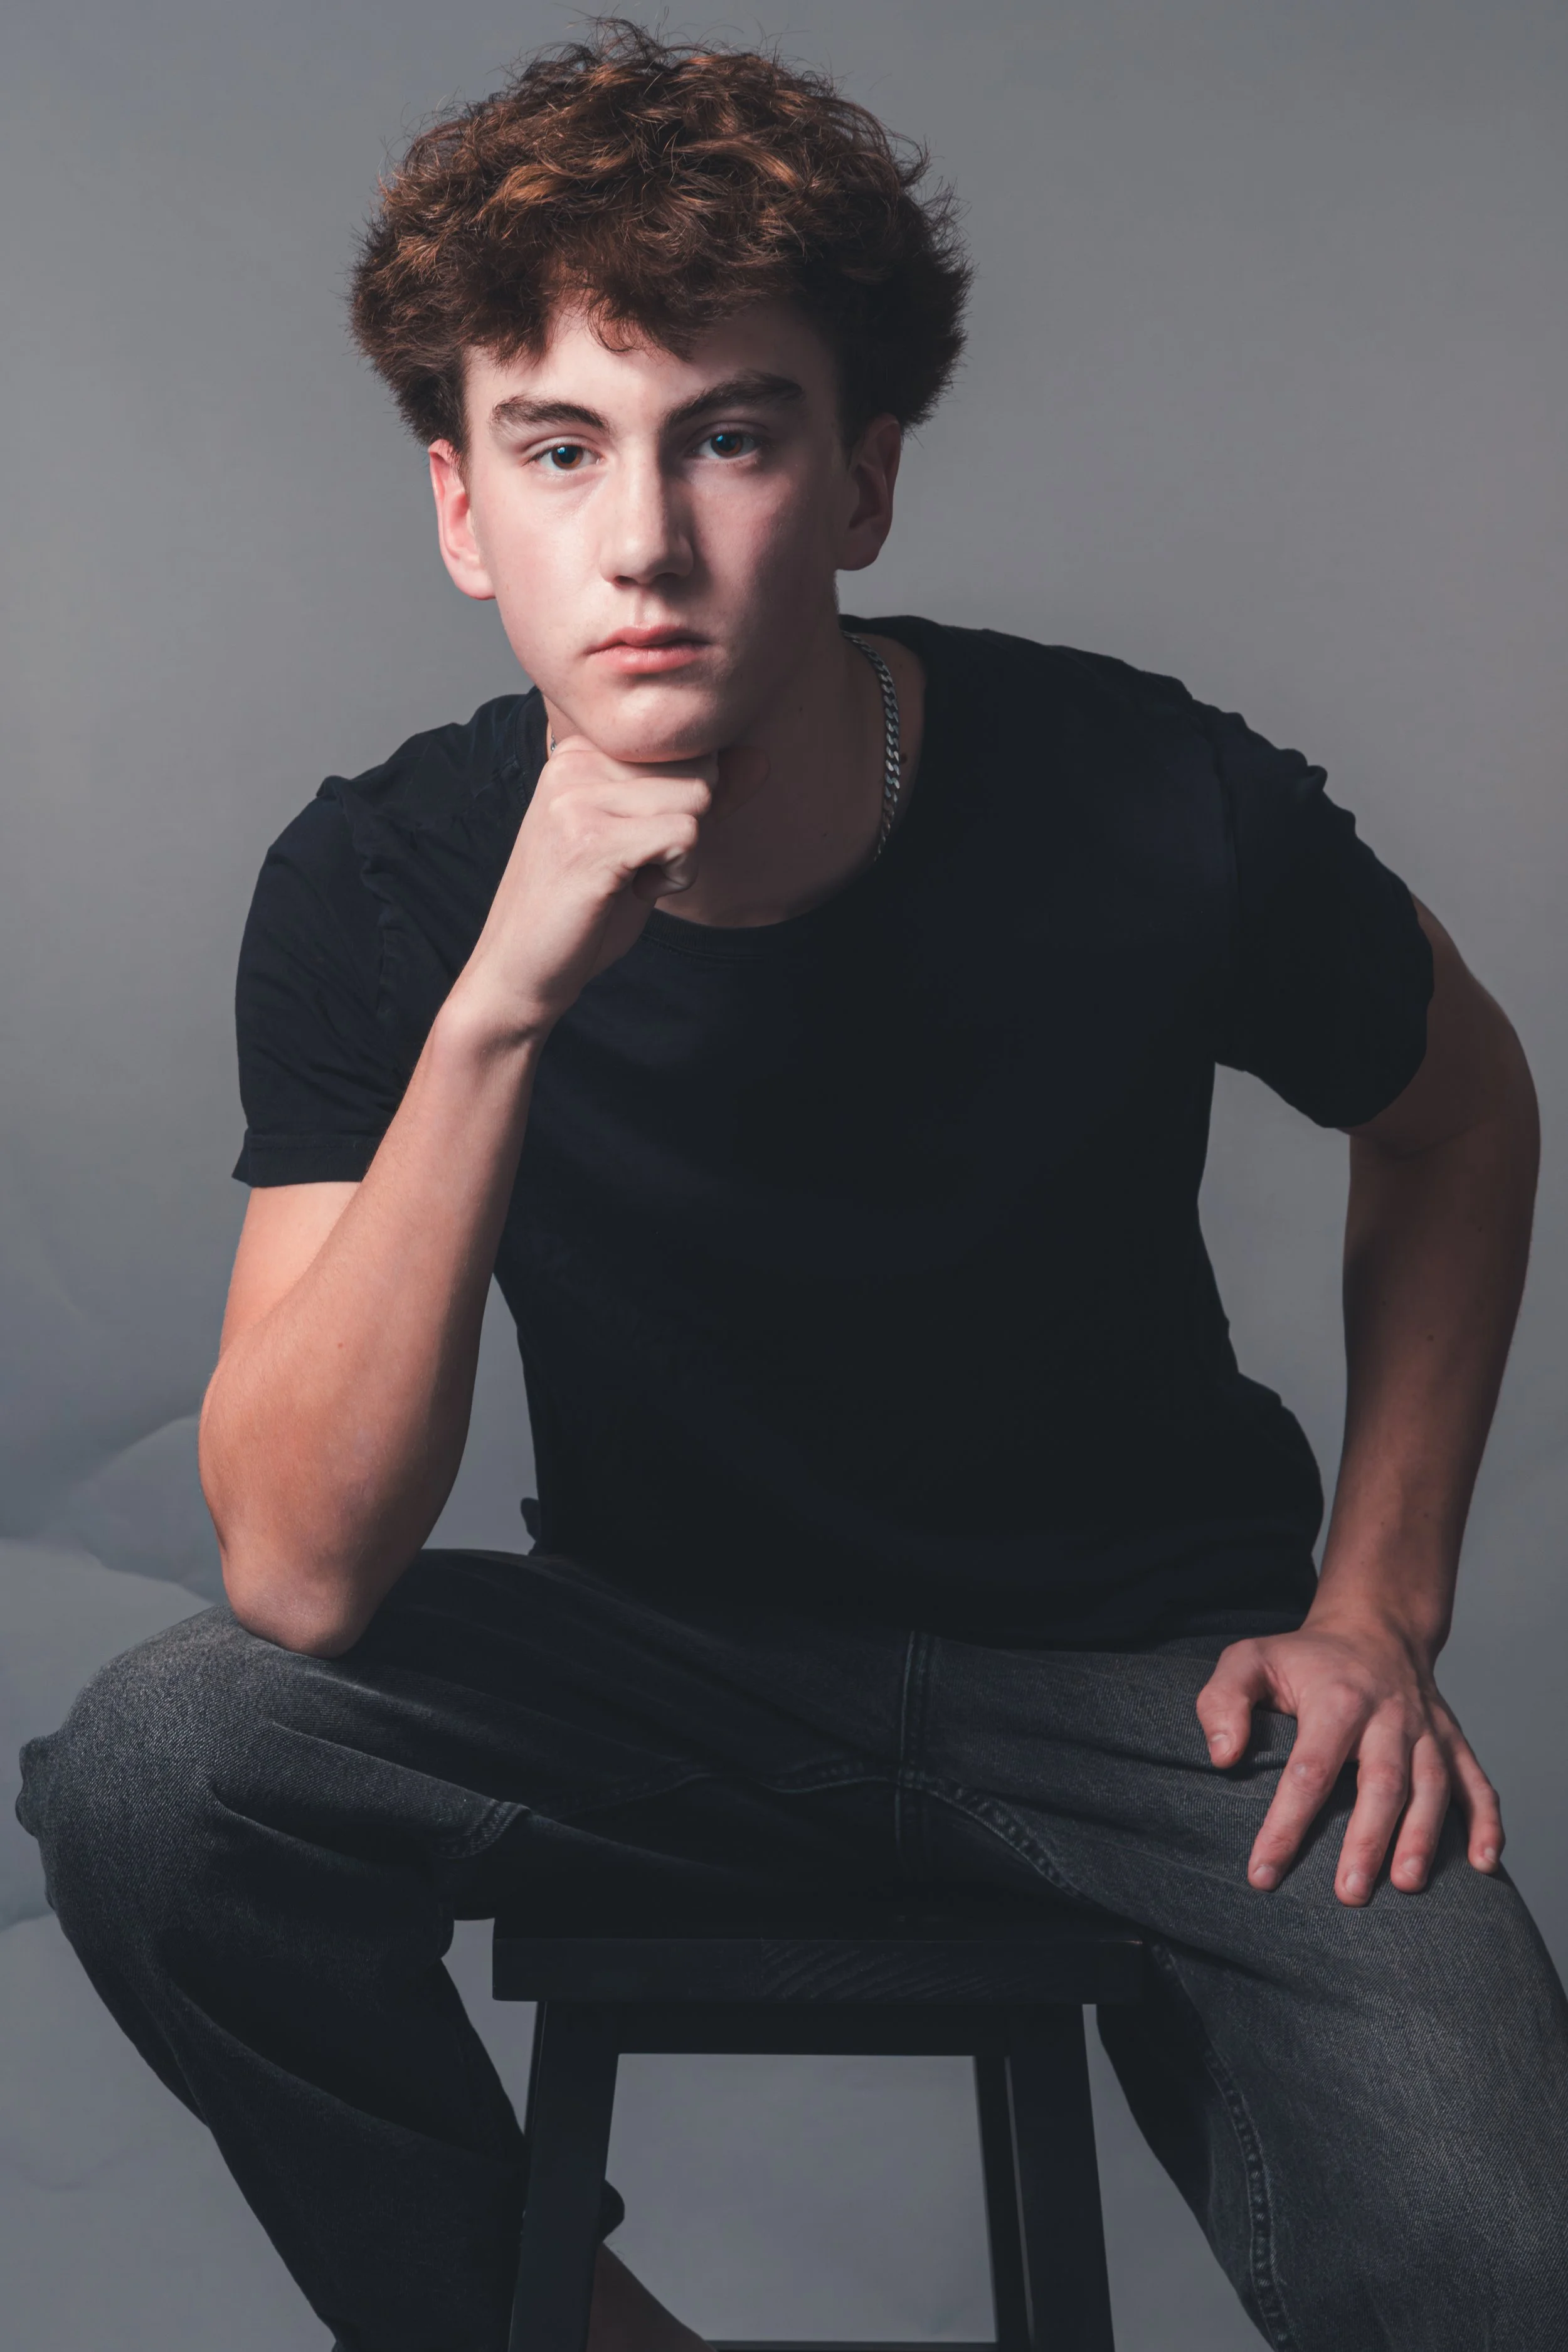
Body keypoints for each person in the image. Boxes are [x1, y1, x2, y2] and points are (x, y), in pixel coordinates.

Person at [17, 21, 1567, 2351]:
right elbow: (306, 1566)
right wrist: (501, 1007)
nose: (640, 539)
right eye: (557, 448)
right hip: (669, 1678)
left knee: (1478, 2271)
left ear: (856, 484)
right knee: (154, 1779)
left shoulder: (1154, 796)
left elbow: (1455, 1111)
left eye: (727, 436)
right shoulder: (377, 881)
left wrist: (1380, 1603)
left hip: (1155, 1687)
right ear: (461, 508)